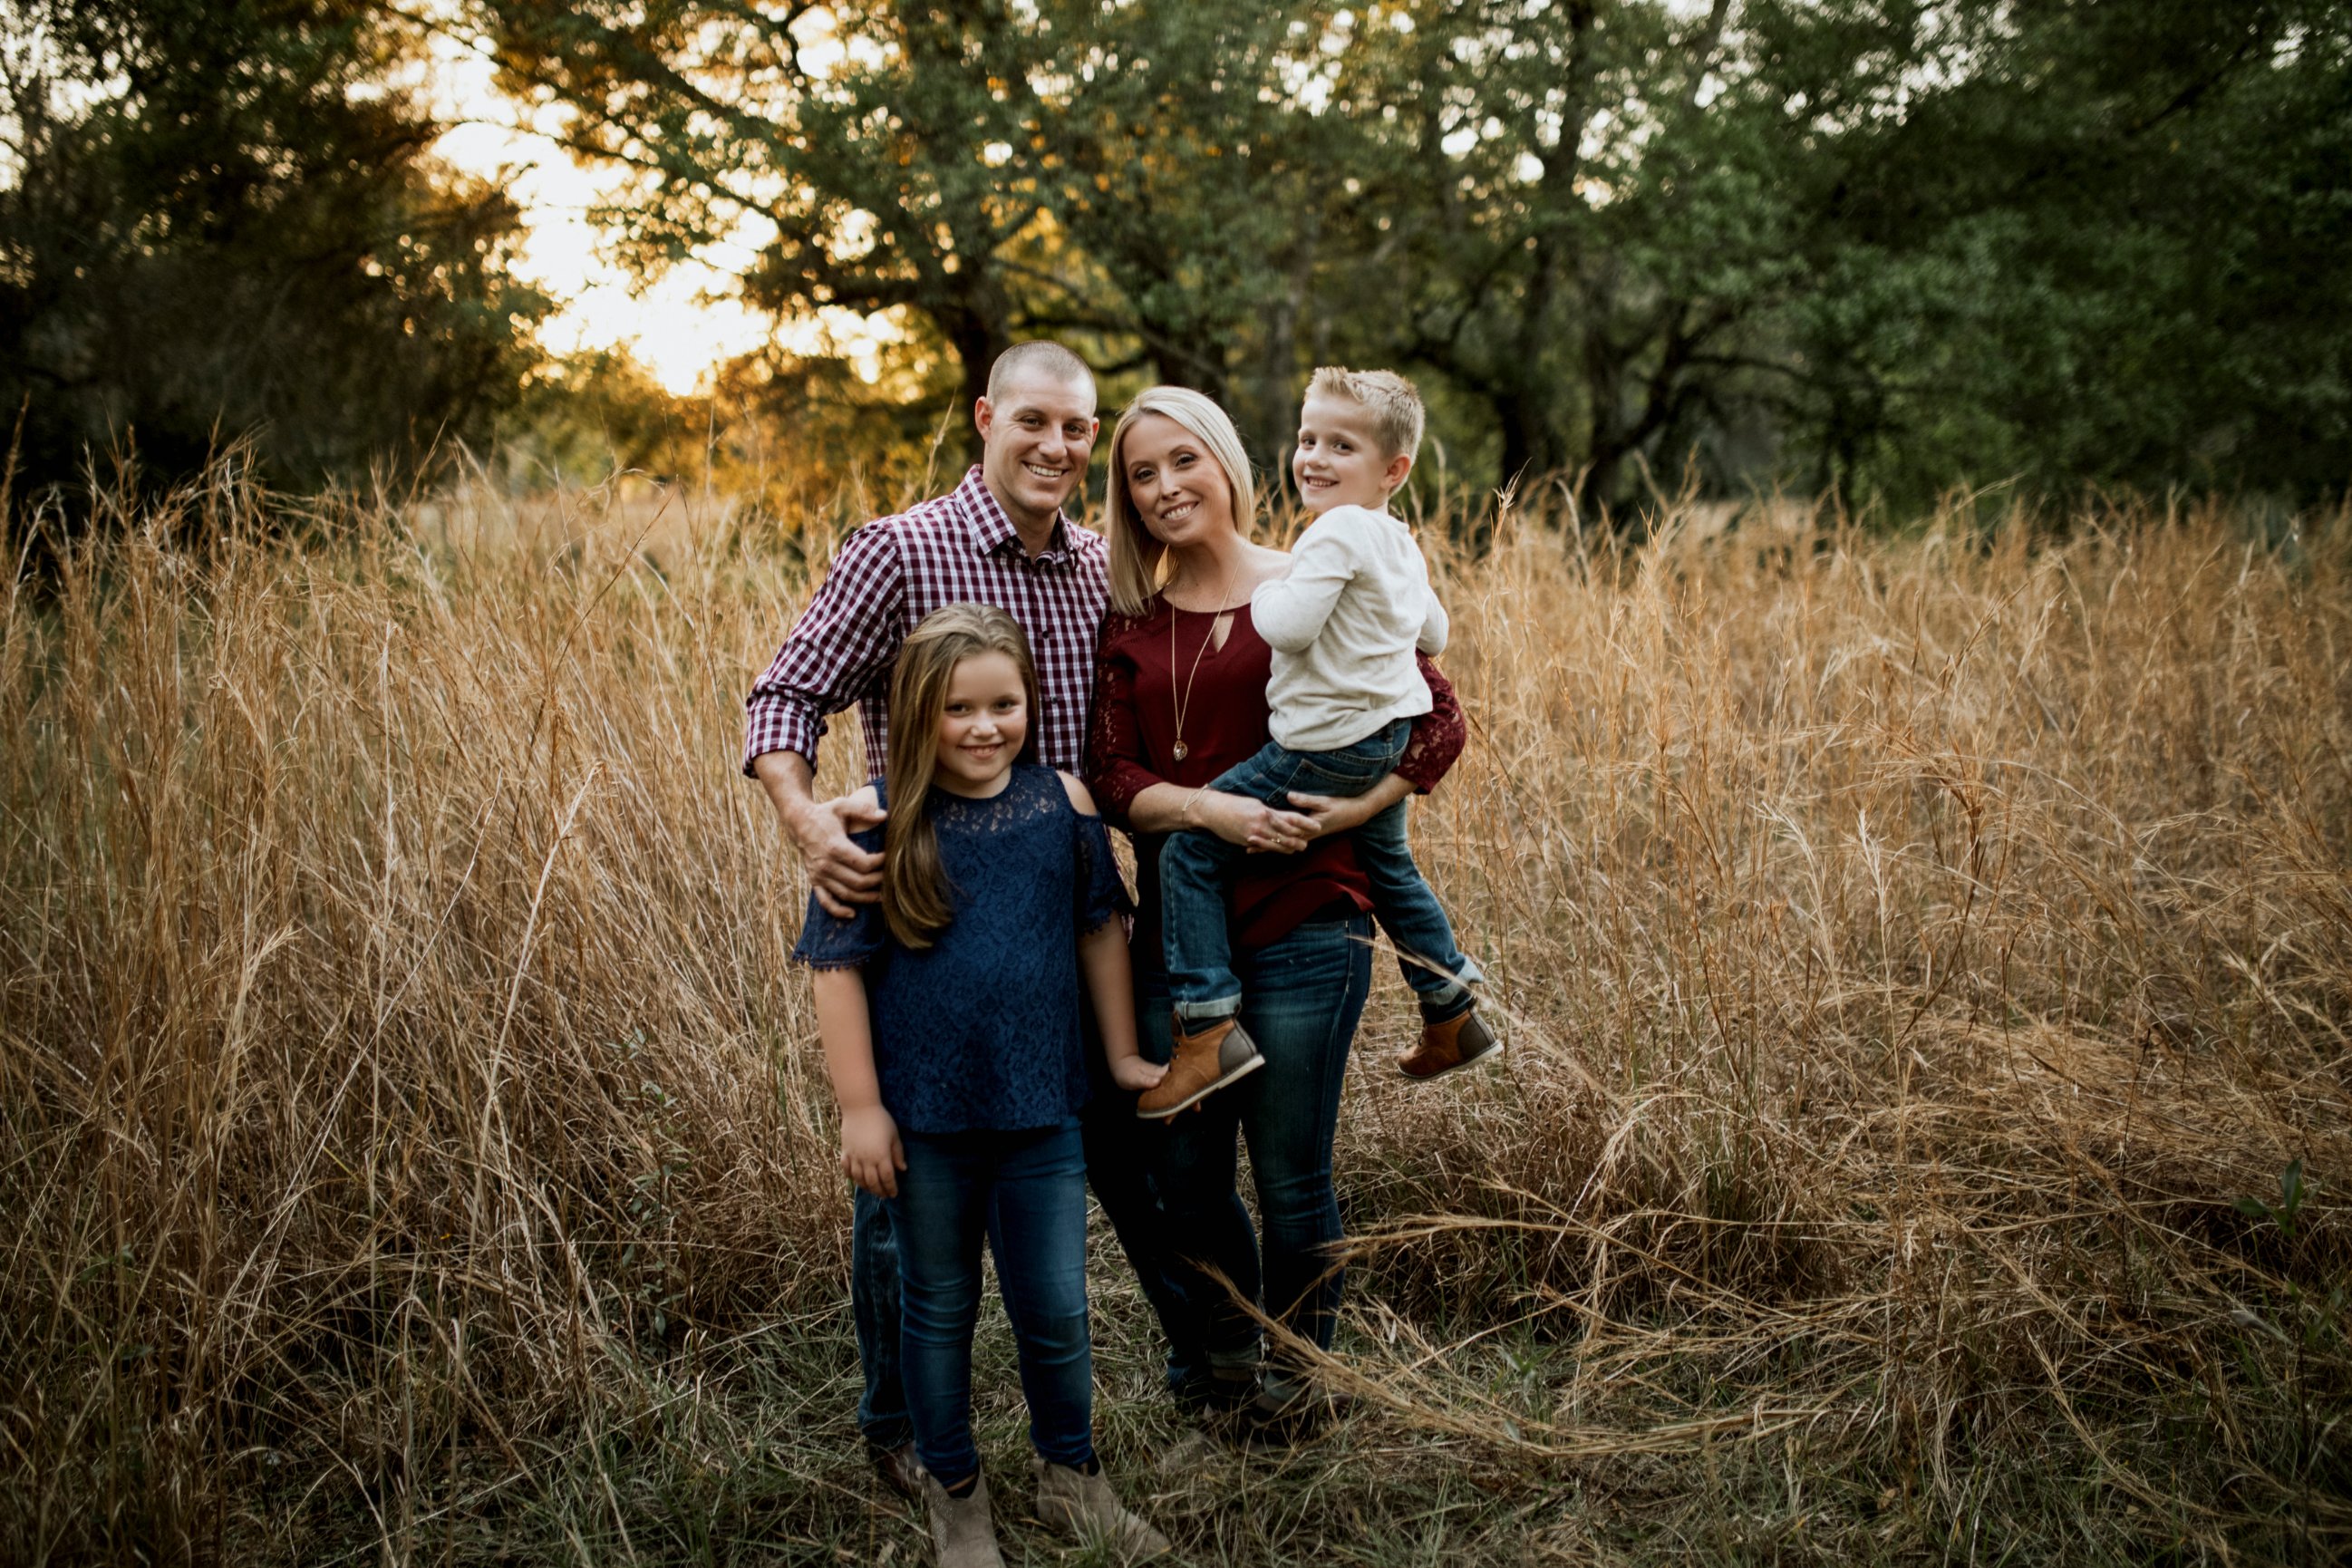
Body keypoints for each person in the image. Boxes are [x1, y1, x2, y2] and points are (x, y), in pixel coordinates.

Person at [741, 342, 1200, 1491]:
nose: (1056, 447)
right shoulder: (902, 551)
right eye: (1034, 421)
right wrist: (811, 825)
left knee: (1108, 1153)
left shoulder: (1103, 568)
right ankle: (902, 1431)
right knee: (907, 1205)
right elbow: (786, 691)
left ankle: (1192, 1382)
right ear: (987, 416)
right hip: (930, 918)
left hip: (1063, 909)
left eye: (1077, 429)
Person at [1085, 385, 1467, 1437]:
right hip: (1180, 932)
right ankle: (1225, 1349)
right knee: (1185, 1179)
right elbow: (1110, 774)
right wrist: (1206, 808)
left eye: (1183, 462)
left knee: (1295, 1176)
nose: (1165, 487)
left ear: (1226, 463)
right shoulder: (1132, 620)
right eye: (1142, 474)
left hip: (1307, 916)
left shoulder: (1315, 575)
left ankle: (1299, 1380)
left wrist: (1367, 802)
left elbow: (1435, 716)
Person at [796, 605, 1171, 1568]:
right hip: (924, 1123)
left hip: (1043, 1107)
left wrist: (1123, 1058)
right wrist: (861, 1108)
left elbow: (1100, 930)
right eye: (957, 707)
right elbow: (835, 968)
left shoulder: (1063, 807)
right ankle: (955, 1488)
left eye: (1003, 703)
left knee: (1055, 1303)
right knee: (939, 1305)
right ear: (919, 713)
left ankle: (1070, 1470)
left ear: (1030, 704)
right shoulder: (874, 822)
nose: (982, 725)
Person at [1141, 367, 1493, 1118]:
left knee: (1189, 850)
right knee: (1388, 862)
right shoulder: (1395, 537)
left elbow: (1286, 626)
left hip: (1320, 745)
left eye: (1342, 445)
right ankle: (1449, 1004)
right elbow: (1435, 632)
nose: (1315, 458)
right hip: (1382, 738)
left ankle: (1205, 1027)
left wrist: (1274, 585)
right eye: (1307, 440)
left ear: (1392, 470)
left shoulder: (1330, 532)